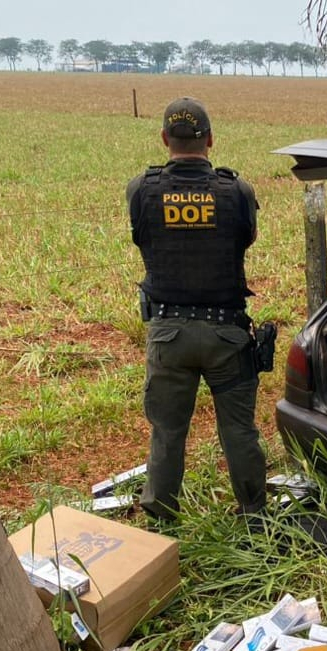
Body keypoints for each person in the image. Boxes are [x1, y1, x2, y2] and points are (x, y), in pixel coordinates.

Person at [126, 97, 266, 525]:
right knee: (239, 431)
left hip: (169, 333)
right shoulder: (236, 191)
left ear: (165, 139)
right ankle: (254, 515)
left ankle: (162, 518)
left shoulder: (141, 189)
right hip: (227, 333)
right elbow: (247, 238)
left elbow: (140, 238)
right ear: (210, 140)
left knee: (168, 430)